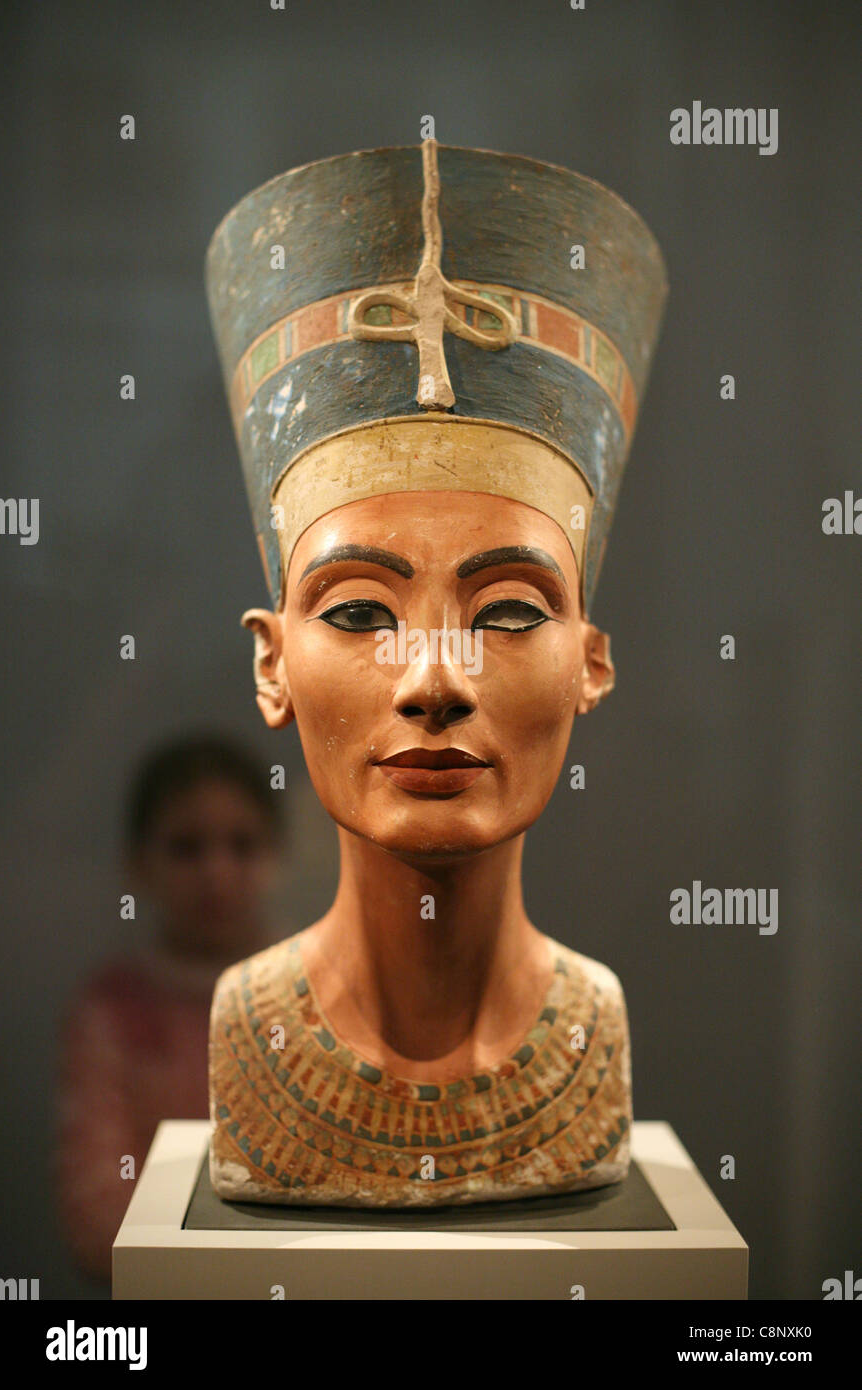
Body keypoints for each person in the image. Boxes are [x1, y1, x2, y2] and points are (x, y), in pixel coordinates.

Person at [203, 137, 667, 1206]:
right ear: (272, 665)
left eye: (508, 612)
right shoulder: (243, 1020)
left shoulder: (601, 1011)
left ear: (588, 663)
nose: (433, 681)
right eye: (358, 609)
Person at [56, 735, 281, 1280]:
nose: (216, 873)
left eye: (242, 845)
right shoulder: (110, 1013)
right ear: (139, 863)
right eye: (186, 847)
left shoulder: (322, 994)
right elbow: (96, 1218)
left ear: (274, 856)